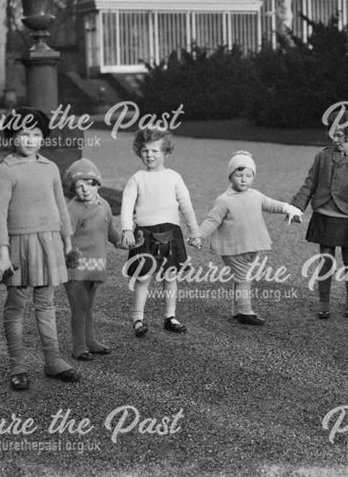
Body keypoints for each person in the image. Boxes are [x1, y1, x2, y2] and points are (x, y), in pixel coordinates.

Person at [0, 108, 80, 390]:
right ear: (12, 136)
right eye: (24, 134)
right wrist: (3, 252)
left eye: (36, 134)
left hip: (49, 242)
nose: (30, 140)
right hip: (18, 244)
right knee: (16, 305)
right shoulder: (6, 170)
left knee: (47, 303)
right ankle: (17, 364)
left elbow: (61, 209)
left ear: (44, 137)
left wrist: (68, 242)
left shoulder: (51, 168)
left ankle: (52, 360)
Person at [196, 151, 302, 326]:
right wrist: (198, 236)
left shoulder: (256, 195)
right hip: (232, 247)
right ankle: (245, 311)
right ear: (231, 176)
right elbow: (212, 220)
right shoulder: (224, 200)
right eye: (239, 175)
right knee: (244, 277)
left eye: (248, 175)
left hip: (251, 246)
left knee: (241, 277)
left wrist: (289, 209)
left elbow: (272, 204)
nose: (244, 179)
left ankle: (237, 311)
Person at [120, 127, 202, 337]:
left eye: (155, 151)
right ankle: (138, 319)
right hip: (144, 234)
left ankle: (170, 316)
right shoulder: (137, 178)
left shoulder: (174, 177)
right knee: (143, 277)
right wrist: (127, 229)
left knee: (170, 276)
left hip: (170, 232)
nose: (150, 155)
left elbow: (186, 206)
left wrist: (194, 231)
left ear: (166, 152)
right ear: (139, 151)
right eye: (145, 150)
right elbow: (127, 206)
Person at [291, 125, 348, 320]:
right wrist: (296, 208)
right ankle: (324, 302)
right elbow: (309, 184)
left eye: (339, 135)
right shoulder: (322, 157)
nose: (334, 139)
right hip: (324, 213)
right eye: (332, 135)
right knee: (326, 259)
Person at [63, 158, 123, 361]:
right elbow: (66, 235)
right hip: (77, 267)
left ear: (97, 184)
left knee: (88, 305)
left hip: (95, 266)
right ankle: (79, 346)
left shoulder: (104, 204)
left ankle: (90, 341)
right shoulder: (73, 209)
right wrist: (68, 253)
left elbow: (110, 230)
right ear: (73, 189)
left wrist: (122, 241)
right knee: (79, 306)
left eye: (89, 184)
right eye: (79, 186)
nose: (85, 190)